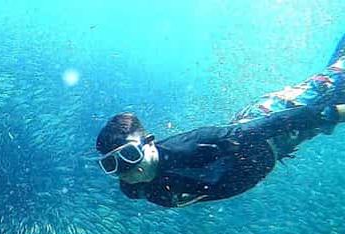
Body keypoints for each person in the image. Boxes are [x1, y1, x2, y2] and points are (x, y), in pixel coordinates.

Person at [95, 34, 345, 208]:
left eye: (128, 154)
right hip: (278, 149)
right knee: (336, 90)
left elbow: (261, 128)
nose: (127, 169)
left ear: (150, 142)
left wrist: (331, 114)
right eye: (112, 165)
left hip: (272, 117)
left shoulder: (192, 145)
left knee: (332, 80)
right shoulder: (134, 188)